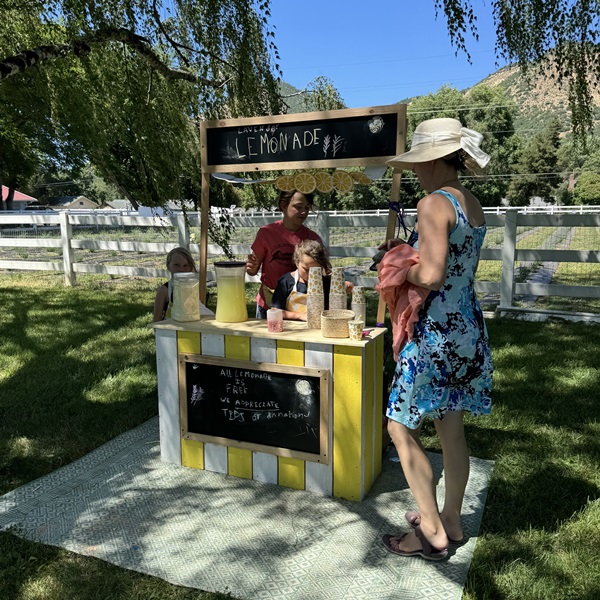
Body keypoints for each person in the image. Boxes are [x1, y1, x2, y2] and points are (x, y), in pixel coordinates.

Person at [379, 118, 493, 561]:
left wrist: (396, 270)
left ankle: (430, 532)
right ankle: (452, 520)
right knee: (452, 430)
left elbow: (431, 273)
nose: (415, 172)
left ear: (430, 160)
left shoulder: (432, 204)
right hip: (468, 329)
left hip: (435, 334)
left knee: (398, 425)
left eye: (417, 165)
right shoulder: (472, 202)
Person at [246, 189, 323, 319]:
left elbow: (323, 270)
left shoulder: (312, 238)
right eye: (298, 207)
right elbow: (252, 270)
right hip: (268, 305)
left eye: (307, 207)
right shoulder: (266, 233)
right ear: (283, 205)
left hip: (301, 307)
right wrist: (251, 267)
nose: (303, 212)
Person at [271, 239, 353, 321]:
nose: (311, 274)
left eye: (316, 270)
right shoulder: (286, 281)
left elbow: (336, 298)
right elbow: (275, 311)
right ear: (297, 262)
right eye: (306, 269)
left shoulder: (326, 282)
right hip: (292, 329)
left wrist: (344, 286)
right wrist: (300, 316)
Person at [152, 247, 198, 322]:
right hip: (170, 330)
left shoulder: (196, 288)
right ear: (168, 266)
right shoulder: (164, 291)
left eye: (185, 266)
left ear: (191, 267)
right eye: (176, 265)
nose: (181, 269)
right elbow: (157, 318)